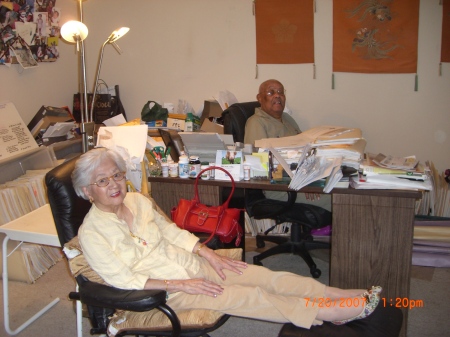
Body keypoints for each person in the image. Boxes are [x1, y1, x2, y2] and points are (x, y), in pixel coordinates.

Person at [72, 147, 381, 330]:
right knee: (251, 297)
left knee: (262, 276)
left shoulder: (137, 201)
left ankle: (332, 291)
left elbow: (168, 231)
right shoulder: (92, 233)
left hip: (189, 263)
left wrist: (208, 254)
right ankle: (326, 312)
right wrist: (181, 285)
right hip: (167, 290)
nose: (114, 184)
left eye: (117, 175)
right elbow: (123, 279)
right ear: (87, 191)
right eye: (102, 181)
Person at [245, 79, 331, 210]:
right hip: (279, 187)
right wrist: (303, 184)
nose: (277, 95)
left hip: (303, 179)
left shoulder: (288, 119)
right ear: (260, 98)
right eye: (271, 92)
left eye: (280, 92)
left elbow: (305, 151)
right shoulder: (256, 122)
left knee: (340, 188)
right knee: (336, 200)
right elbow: (260, 167)